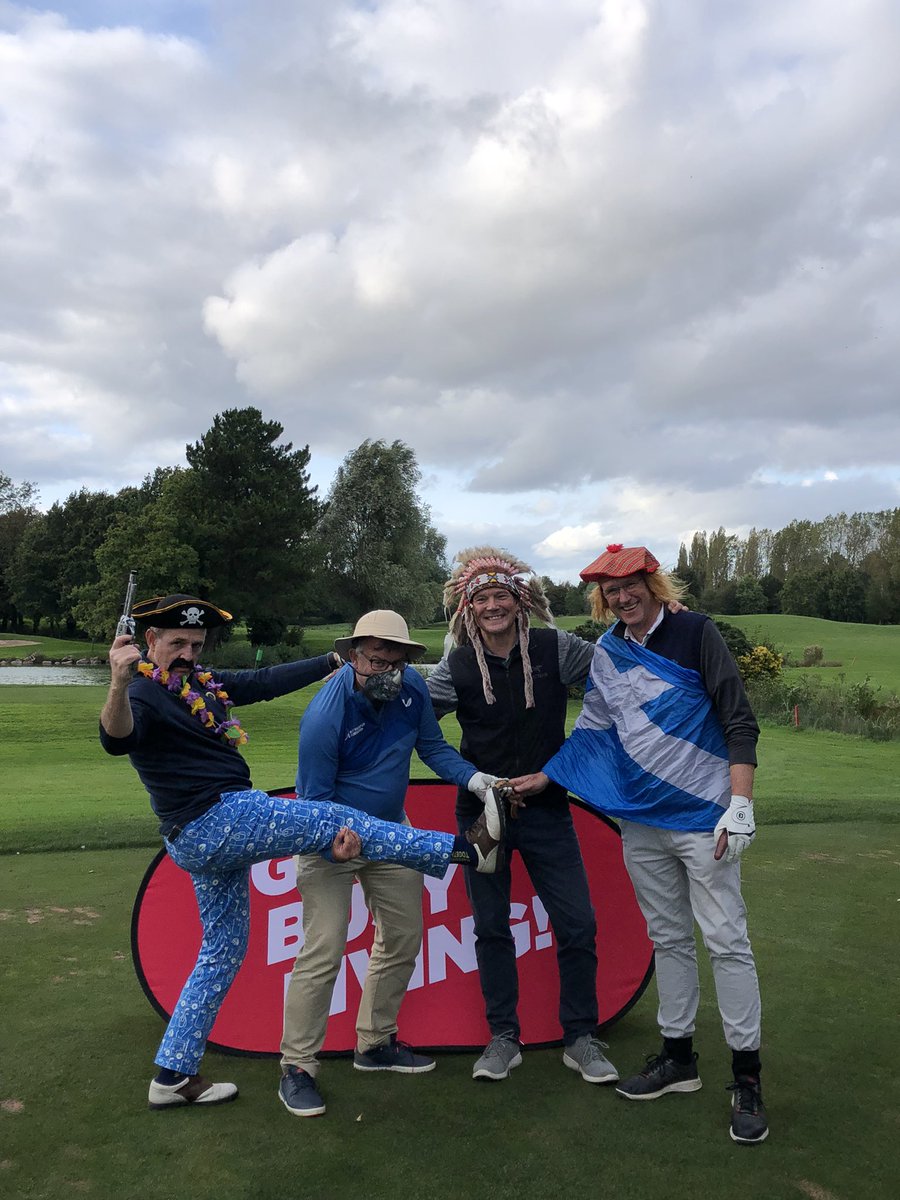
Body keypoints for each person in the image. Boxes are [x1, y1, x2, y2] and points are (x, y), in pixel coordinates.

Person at [99, 594, 506, 1112]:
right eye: (176, 643)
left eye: (195, 644)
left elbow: (266, 684)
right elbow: (116, 739)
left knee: (221, 953)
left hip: (206, 835)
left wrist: (330, 659)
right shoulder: (140, 693)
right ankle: (465, 851)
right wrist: (117, 680)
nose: (187, 653)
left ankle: (173, 1075)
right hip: (214, 819)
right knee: (341, 820)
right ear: (149, 642)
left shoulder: (200, 684)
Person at [510, 544, 767, 1145]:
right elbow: (596, 727)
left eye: (632, 588)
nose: (623, 598)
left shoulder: (697, 633)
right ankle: (678, 1059)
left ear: (654, 585)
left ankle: (747, 1077)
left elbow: (738, 718)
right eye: (611, 592)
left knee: (727, 940)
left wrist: (741, 802)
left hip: (707, 817)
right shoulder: (608, 651)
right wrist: (548, 775)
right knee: (668, 938)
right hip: (642, 821)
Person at [279, 610, 502, 1118]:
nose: (383, 670)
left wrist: (474, 780)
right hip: (328, 838)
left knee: (402, 936)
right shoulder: (325, 712)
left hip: (391, 830)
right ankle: (297, 1067)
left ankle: (374, 1044)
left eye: (393, 660)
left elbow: (432, 747)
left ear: (405, 658)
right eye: (374, 660)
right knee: (324, 948)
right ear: (353, 655)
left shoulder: (413, 690)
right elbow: (314, 799)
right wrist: (335, 841)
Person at [426, 548, 618, 1086]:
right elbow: (416, 717)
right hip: (481, 813)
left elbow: (617, 671)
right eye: (482, 598)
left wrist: (556, 772)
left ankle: (580, 1037)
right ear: (468, 608)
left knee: (577, 921)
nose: (493, 606)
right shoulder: (459, 663)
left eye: (501, 596)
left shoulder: (558, 648)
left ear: (520, 601)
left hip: (547, 807)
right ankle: (502, 1038)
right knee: (490, 927)